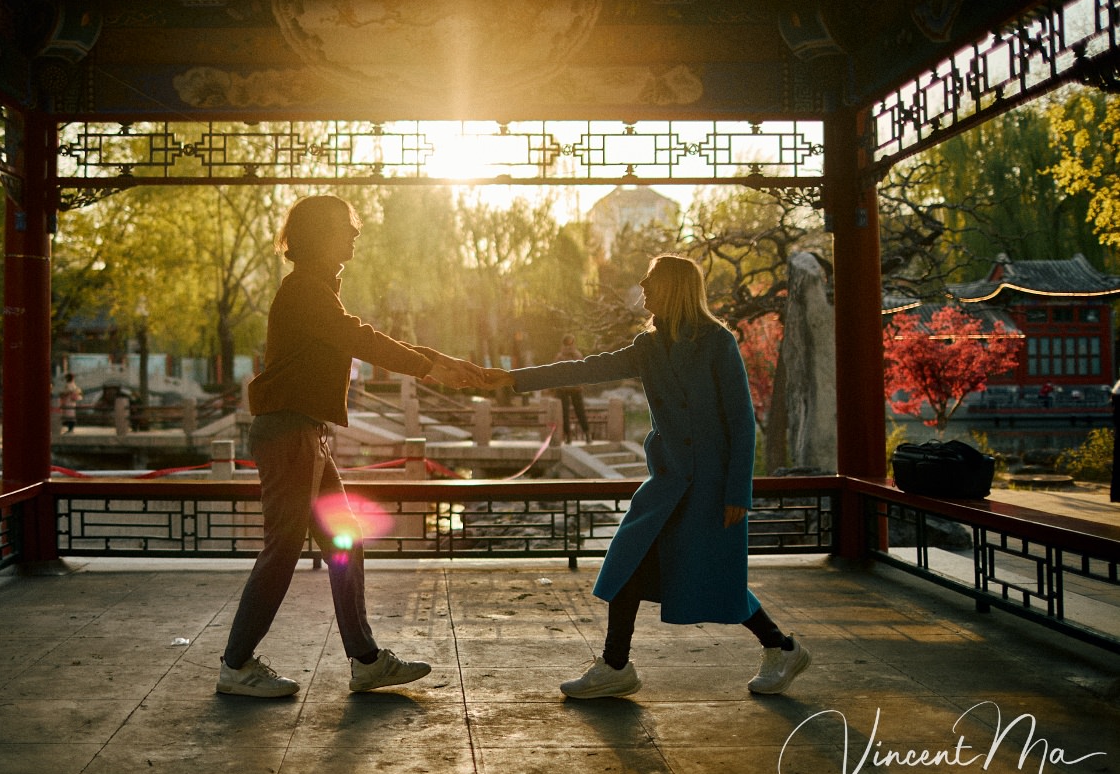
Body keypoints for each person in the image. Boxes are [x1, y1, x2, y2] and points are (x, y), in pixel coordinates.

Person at [483, 254, 810, 698]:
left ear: (674, 286)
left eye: (651, 278)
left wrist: (738, 491)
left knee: (714, 577)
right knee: (628, 562)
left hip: (712, 487)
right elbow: (586, 368)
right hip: (668, 482)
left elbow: (741, 420)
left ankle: (781, 648)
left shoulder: (717, 342)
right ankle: (617, 666)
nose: (642, 283)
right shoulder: (648, 346)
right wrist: (510, 378)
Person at [218, 194, 486, 698]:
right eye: (346, 226)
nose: (356, 234)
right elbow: (361, 339)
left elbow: (362, 337)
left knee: (345, 541)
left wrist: (442, 361)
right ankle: (235, 665)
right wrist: (431, 368)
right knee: (283, 550)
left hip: (308, 433)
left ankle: (365, 661)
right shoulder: (304, 290)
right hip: (290, 432)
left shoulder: (317, 290)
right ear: (320, 235)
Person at [554, 334, 590, 443]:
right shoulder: (578, 355)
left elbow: (554, 373)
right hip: (576, 388)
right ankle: (587, 434)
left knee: (564, 413)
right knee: (580, 411)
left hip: (563, 388)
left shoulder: (559, 357)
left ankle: (568, 436)